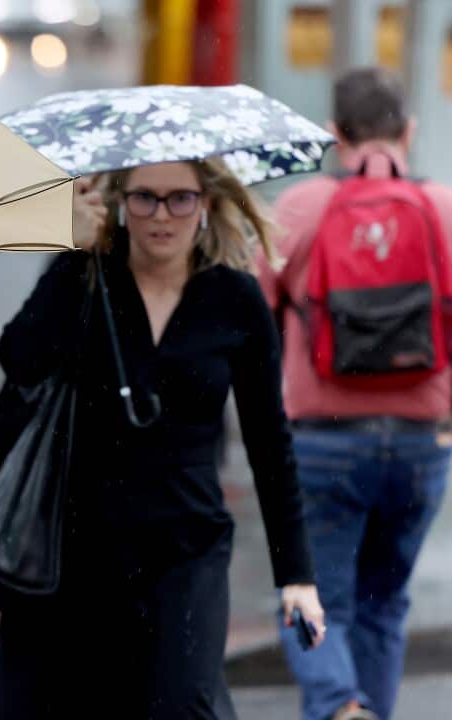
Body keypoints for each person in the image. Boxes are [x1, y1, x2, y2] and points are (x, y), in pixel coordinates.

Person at [0, 161, 326, 718]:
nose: (161, 216)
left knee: (182, 703)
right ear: (120, 201)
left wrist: (297, 574)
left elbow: (271, 443)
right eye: (145, 197)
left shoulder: (235, 299)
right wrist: (72, 254)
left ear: (207, 204)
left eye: (180, 199)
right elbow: (19, 360)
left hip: (187, 547)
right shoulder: (86, 275)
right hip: (79, 544)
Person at [259, 67, 452, 720]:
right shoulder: (446, 209)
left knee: (313, 596)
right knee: (384, 604)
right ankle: (361, 708)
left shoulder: (299, 208)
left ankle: (338, 704)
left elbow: (252, 318)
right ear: (411, 131)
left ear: (335, 135)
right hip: (424, 445)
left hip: (321, 442)